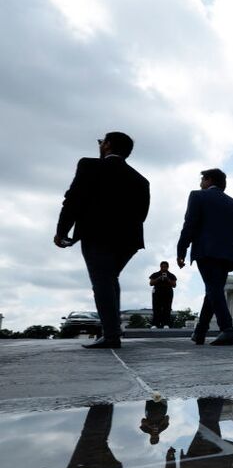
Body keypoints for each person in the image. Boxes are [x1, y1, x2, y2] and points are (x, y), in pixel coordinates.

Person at [54, 132, 150, 349]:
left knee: (102, 281)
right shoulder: (141, 179)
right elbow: (142, 214)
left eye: (101, 142)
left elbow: (73, 199)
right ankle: (111, 332)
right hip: (129, 239)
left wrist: (62, 230)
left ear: (107, 145)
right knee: (109, 279)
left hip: (97, 233)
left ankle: (111, 335)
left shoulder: (89, 166)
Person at [176, 168, 233, 346]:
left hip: (207, 251)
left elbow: (189, 225)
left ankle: (227, 330)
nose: (200, 183)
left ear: (209, 180)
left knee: (213, 289)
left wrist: (181, 250)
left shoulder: (197, 196)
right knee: (213, 290)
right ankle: (200, 332)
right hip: (229, 255)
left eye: (202, 179)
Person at [148, 261, 177, 328]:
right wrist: (159, 278)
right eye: (162, 266)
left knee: (167, 308)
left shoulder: (171, 275)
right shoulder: (155, 274)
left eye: (165, 267)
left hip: (168, 293)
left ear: (168, 267)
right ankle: (155, 324)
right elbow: (151, 283)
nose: (164, 268)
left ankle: (166, 324)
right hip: (157, 293)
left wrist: (168, 279)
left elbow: (174, 285)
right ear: (160, 266)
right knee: (156, 308)